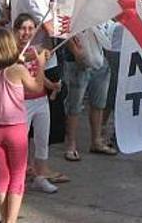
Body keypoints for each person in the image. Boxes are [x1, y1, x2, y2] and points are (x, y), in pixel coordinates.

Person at [0, 28, 42, 223]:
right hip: (16, 129)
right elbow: (37, 88)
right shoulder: (18, 70)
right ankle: (10, 221)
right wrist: (41, 65)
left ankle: (4, 218)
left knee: (2, 176)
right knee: (18, 176)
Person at [14, 14, 66, 193]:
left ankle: (40, 176)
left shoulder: (37, 50)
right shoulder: (12, 51)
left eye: (30, 28)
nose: (26, 33)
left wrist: (53, 86)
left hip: (41, 100)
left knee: (42, 140)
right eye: (23, 28)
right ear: (15, 30)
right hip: (22, 103)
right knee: (21, 142)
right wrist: (37, 60)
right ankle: (18, 178)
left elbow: (39, 76)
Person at [61, 25, 115, 163]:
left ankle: (96, 140)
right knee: (74, 105)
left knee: (99, 102)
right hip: (76, 61)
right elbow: (62, 28)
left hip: (99, 57)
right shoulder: (69, 3)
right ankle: (71, 144)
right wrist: (74, 50)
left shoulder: (99, 4)